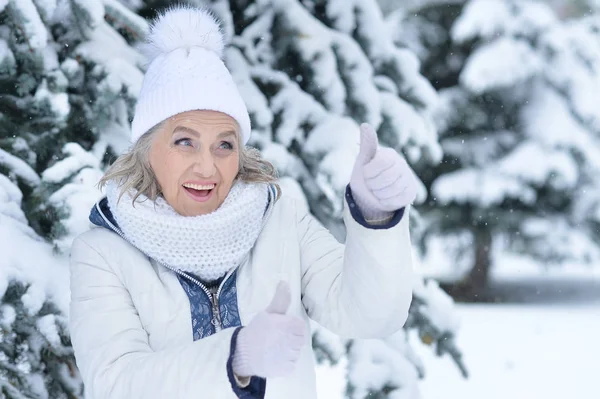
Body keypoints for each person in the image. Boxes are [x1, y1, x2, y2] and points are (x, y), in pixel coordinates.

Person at [69, 6, 417, 399]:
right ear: (148, 150)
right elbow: (115, 383)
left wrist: (375, 216)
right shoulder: (101, 254)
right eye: (185, 142)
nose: (208, 166)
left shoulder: (281, 225)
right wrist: (236, 357)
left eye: (225, 145)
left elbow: (370, 315)